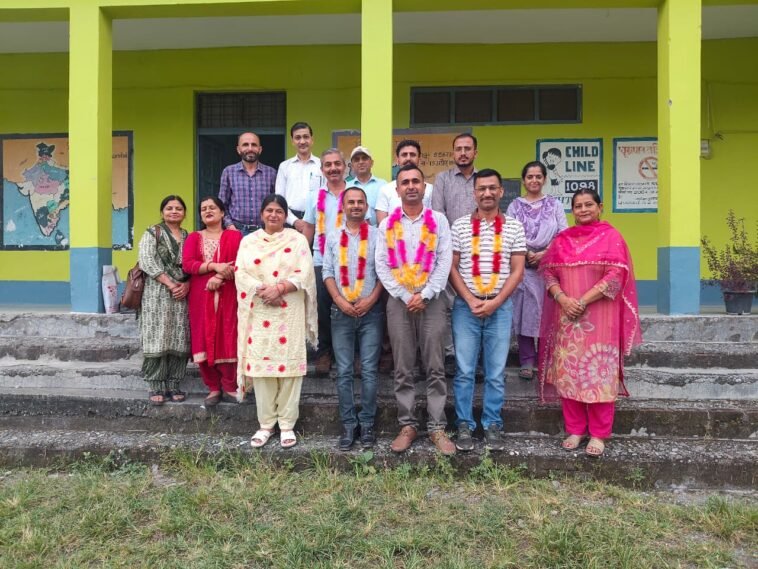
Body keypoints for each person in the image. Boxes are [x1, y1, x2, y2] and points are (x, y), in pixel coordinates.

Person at [538, 189, 641, 458]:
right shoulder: (562, 240)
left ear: (600, 206)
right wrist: (563, 299)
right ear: (572, 210)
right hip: (567, 317)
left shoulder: (611, 237)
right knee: (569, 372)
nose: (583, 210)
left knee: (599, 373)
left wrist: (582, 301)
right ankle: (575, 429)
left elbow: (616, 276)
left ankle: (598, 434)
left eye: (588, 205)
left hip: (600, 318)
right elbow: (549, 274)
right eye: (578, 206)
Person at [375, 164, 454, 455]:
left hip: (432, 301)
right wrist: (404, 294)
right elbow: (382, 264)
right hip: (399, 302)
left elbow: (444, 260)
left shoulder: (439, 221)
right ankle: (407, 425)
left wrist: (427, 293)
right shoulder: (386, 225)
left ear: (424, 187)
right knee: (403, 366)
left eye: (415, 181)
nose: (410, 186)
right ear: (397, 190)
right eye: (405, 182)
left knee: (435, 366)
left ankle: (436, 427)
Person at [449, 169, 526, 451]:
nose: (487, 193)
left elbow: (517, 271)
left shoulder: (514, 227)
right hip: (465, 307)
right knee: (464, 370)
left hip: (500, 306)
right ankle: (464, 425)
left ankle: (493, 424)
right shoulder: (459, 226)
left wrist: (495, 302)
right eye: (481, 188)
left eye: (493, 188)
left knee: (495, 371)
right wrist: (470, 300)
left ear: (501, 191)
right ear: (474, 193)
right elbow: (452, 268)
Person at [235, 194, 318, 449]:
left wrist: (280, 288)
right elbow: (241, 272)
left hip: (288, 309)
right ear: (262, 214)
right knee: (262, 370)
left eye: (279, 211)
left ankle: (287, 424)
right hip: (259, 309)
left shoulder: (297, 240)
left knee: (290, 368)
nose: (273, 215)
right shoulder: (249, 241)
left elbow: (305, 273)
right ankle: (266, 424)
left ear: (285, 216)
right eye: (269, 210)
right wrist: (264, 290)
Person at [322, 187, 384, 450]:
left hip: (372, 312)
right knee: (344, 370)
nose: (356, 206)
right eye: (351, 202)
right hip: (341, 312)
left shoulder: (379, 236)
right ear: (343, 207)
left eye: (360, 202)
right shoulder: (333, 236)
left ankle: (367, 423)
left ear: (366, 206)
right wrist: (339, 300)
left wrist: (371, 299)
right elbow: (327, 272)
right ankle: (348, 424)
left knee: (369, 370)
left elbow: (384, 272)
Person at [506, 161, 568, 380]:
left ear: (544, 179)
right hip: (522, 267)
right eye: (529, 177)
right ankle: (526, 361)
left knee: (545, 314)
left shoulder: (555, 205)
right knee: (524, 313)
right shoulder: (515, 206)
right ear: (524, 180)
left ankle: (545, 359)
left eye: (538, 176)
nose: (534, 180)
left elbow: (563, 234)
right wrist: (525, 253)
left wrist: (544, 253)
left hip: (548, 268)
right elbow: (509, 233)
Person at [182, 197, 243, 406]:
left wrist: (220, 276)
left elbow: (242, 262)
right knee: (203, 337)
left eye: (212, 208)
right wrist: (214, 266)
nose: (208, 211)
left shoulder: (234, 236)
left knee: (228, 334)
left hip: (229, 293)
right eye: (203, 209)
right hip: (201, 295)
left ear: (222, 212)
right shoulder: (194, 238)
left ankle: (229, 386)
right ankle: (213, 388)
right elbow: (188, 264)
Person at [137, 195, 190, 406]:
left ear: (184, 213)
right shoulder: (153, 233)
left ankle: (174, 383)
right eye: (169, 208)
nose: (174, 211)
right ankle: (156, 384)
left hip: (181, 295)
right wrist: (170, 284)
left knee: (179, 336)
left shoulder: (188, 236)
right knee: (157, 336)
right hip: (156, 293)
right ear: (162, 212)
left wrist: (186, 285)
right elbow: (146, 260)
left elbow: (193, 263)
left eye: (178, 208)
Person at [302, 148, 349, 375]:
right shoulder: (315, 196)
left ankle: (349, 352)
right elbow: (309, 228)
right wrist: (301, 258)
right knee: (321, 308)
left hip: (350, 261)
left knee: (349, 306)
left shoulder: (354, 193)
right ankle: (324, 352)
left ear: (344, 167)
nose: (333, 168)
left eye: (337, 164)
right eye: (328, 165)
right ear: (322, 170)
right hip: (320, 259)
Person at [218, 132, 277, 235]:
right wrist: (229, 225)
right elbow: (222, 204)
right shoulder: (228, 172)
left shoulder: (271, 173)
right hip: (237, 231)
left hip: (265, 231)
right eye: (245, 145)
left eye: (254, 145)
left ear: (260, 149)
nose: (250, 148)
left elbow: (276, 203)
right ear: (238, 149)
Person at [275, 122, 322, 232]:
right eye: (298, 138)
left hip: (317, 220)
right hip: (290, 221)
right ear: (292, 141)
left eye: (306, 137)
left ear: (312, 140)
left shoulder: (322, 165)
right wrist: (294, 221)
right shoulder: (284, 166)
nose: (302, 141)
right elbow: (279, 198)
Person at [375, 140, 434, 223]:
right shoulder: (385, 190)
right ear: (398, 160)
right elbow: (382, 224)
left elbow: (435, 220)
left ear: (419, 159)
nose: (408, 158)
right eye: (404, 155)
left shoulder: (430, 189)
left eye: (412, 155)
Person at [431, 133, 479, 226]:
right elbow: (438, 213)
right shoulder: (442, 178)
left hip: (480, 234)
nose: (463, 153)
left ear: (475, 153)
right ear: (453, 154)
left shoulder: (483, 179)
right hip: (450, 234)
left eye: (467, 149)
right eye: (458, 149)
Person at [345, 145, 387, 225]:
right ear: (352, 166)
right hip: (353, 231)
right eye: (357, 159)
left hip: (378, 231)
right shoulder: (347, 187)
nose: (361, 162)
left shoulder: (383, 185)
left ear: (371, 163)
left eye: (364, 158)